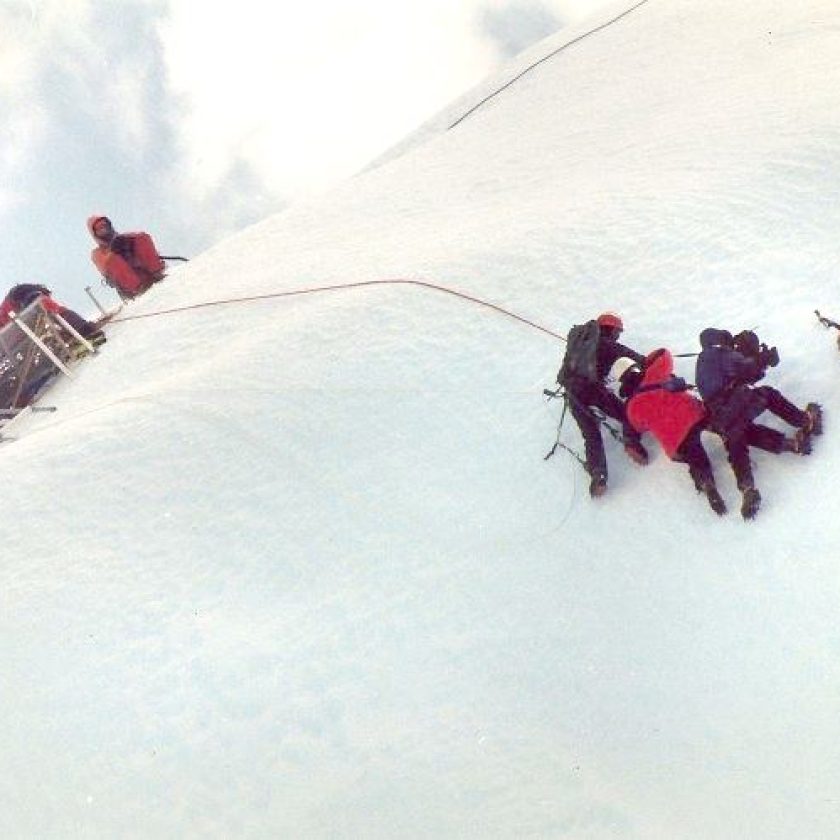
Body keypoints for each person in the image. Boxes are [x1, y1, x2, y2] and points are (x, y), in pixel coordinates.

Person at [695, 327, 822, 519]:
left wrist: (758, 364)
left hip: (719, 417)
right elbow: (744, 368)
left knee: (738, 436)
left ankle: (748, 487)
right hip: (735, 402)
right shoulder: (719, 354)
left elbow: (742, 375)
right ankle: (806, 421)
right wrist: (764, 359)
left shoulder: (703, 363)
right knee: (768, 395)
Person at [557, 312, 649, 498]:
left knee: (591, 434)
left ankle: (598, 474)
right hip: (594, 389)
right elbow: (631, 355)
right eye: (617, 332)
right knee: (625, 414)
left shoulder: (577, 344)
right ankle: (632, 443)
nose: (617, 336)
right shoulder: (606, 343)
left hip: (573, 393)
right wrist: (649, 360)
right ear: (610, 329)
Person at [624, 348, 726, 515]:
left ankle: (706, 482)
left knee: (695, 456)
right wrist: (647, 361)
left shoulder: (631, 406)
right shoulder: (654, 375)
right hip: (693, 414)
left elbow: (636, 429)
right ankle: (742, 442)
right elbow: (665, 355)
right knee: (722, 426)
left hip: (673, 438)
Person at [87, 215, 166, 299]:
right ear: (95, 234)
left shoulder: (125, 238)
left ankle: (156, 271)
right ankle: (137, 287)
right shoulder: (97, 253)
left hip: (150, 275)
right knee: (111, 260)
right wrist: (113, 251)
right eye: (100, 229)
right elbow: (104, 265)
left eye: (105, 226)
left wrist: (128, 242)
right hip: (131, 289)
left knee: (142, 238)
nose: (104, 230)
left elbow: (140, 236)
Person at [0, 283, 105, 344]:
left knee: (49, 309)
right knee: (50, 310)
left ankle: (82, 329)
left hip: (19, 300)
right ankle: (80, 329)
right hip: (21, 300)